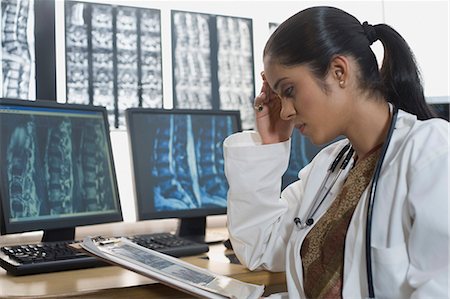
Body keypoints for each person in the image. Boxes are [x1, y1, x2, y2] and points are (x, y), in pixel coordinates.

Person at [223, 6, 449, 299]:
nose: (287, 111)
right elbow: (260, 246)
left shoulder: (432, 152)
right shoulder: (331, 166)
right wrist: (270, 144)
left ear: (339, 71)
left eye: (289, 90)